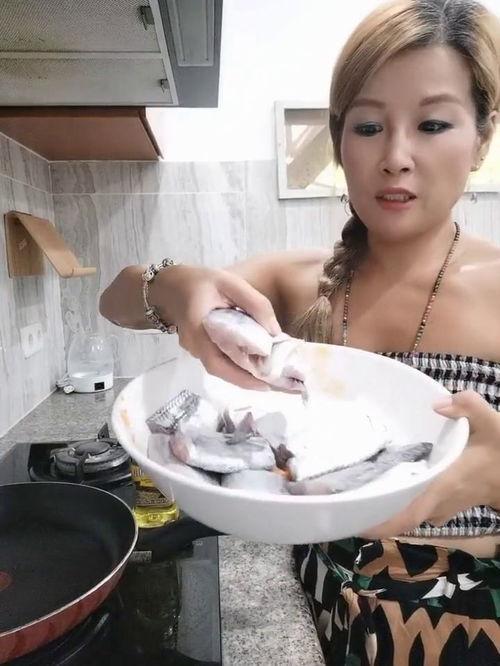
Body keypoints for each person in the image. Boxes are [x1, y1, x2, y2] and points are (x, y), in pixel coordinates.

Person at [100, 0, 500, 662]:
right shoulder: (297, 281)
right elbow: (116, 301)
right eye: (368, 126)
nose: (396, 157)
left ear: (482, 136)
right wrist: (175, 286)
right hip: (320, 608)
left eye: (432, 124)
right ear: (340, 140)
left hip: (466, 621)